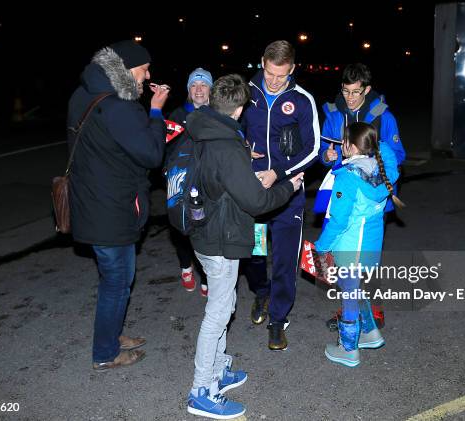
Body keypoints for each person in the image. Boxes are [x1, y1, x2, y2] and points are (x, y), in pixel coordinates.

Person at [185, 74, 304, 419]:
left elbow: (222, 181)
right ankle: (200, 390)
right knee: (218, 313)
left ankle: (219, 371)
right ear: (238, 109)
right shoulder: (225, 144)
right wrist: (289, 186)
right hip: (220, 236)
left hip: (207, 229)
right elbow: (257, 201)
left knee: (227, 301)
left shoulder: (204, 127)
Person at [67, 40, 169, 370]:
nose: (148, 75)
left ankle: (112, 335)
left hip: (93, 201)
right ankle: (105, 353)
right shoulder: (119, 107)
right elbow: (152, 154)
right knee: (117, 283)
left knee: (116, 280)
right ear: (125, 70)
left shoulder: (84, 93)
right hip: (112, 209)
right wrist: (155, 112)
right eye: (143, 69)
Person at [241, 40, 320, 351]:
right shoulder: (247, 92)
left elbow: (312, 148)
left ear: (292, 69)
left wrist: (281, 172)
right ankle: (262, 291)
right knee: (255, 251)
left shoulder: (302, 100)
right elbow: (229, 128)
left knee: (285, 258)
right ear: (262, 61)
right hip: (254, 193)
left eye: (281, 76)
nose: (273, 81)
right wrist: (243, 152)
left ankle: (278, 318)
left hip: (287, 194)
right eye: (269, 73)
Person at [316, 63, 405, 334]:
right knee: (346, 259)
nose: (350, 97)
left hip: (369, 198)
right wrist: (327, 156)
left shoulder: (383, 116)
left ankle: (368, 313)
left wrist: (367, 167)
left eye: (355, 92)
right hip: (342, 192)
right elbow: (323, 149)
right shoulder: (333, 112)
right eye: (345, 91)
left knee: (364, 258)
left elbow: (398, 154)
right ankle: (351, 310)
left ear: (366, 89)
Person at [315, 122, 403, 367]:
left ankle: (348, 348)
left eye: (344, 142)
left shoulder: (348, 177)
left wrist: (322, 246)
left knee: (349, 294)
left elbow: (339, 221)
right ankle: (370, 333)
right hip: (371, 243)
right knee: (353, 287)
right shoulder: (384, 168)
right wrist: (372, 138)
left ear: (351, 148)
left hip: (350, 245)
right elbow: (385, 150)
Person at [167, 68, 213, 296]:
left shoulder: (216, 114)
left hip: (206, 183)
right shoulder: (176, 115)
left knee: (203, 227)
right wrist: (167, 171)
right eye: (194, 85)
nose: (198, 89)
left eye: (203, 85)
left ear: (210, 90)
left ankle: (205, 275)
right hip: (180, 181)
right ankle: (186, 266)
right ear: (188, 90)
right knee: (181, 226)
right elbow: (166, 147)